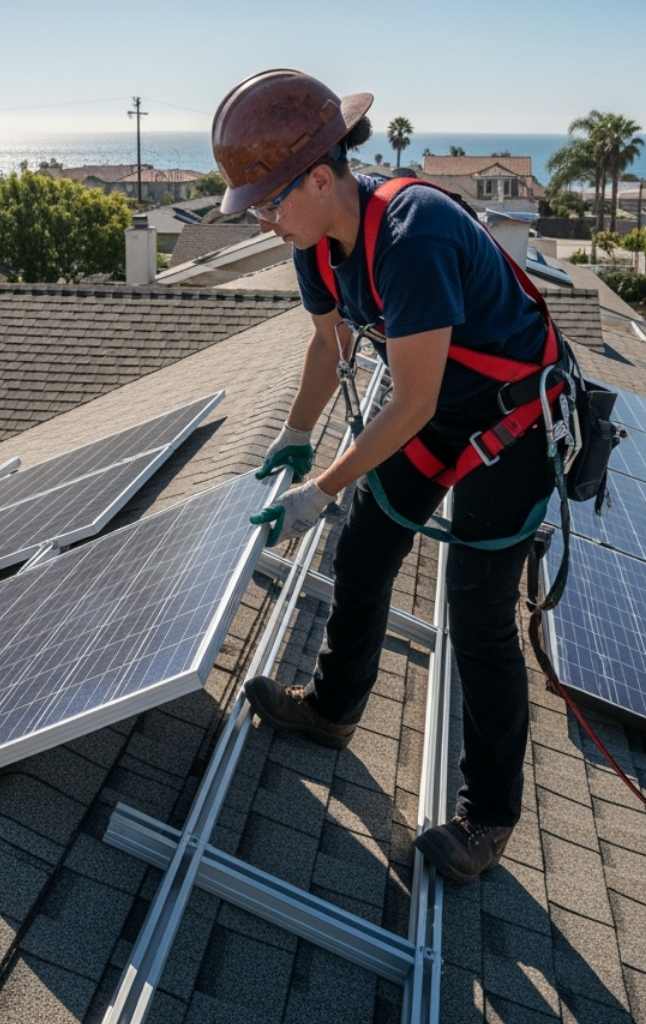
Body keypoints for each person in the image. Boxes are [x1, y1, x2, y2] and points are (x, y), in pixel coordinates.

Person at [212, 69, 557, 882]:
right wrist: (297, 434)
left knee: (476, 613)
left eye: (269, 202)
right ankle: (332, 710)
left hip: (515, 423)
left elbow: (409, 400)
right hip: (439, 413)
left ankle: (489, 817)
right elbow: (329, 347)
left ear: (324, 178)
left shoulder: (414, 233)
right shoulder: (315, 242)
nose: (263, 221)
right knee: (364, 553)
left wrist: (320, 489)